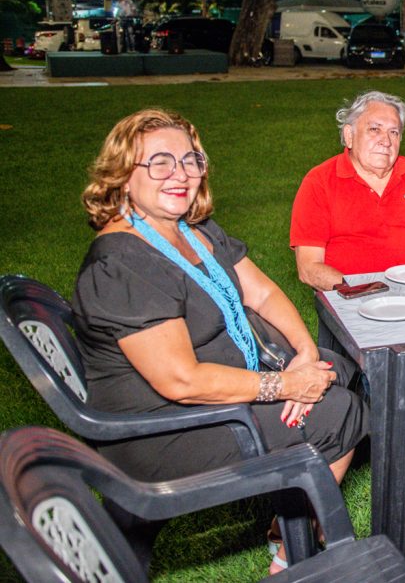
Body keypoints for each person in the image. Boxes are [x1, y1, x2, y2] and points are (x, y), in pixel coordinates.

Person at [73, 108, 367, 574]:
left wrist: (305, 356)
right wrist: (286, 387)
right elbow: (181, 381)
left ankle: (289, 518)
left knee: (337, 367)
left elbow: (263, 292)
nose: (180, 174)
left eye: (191, 160)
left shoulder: (193, 230)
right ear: (123, 175)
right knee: (341, 413)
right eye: (160, 162)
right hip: (163, 430)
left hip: (221, 387)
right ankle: (293, 553)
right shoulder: (123, 263)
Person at [290, 90, 405, 290]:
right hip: (350, 299)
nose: (386, 141)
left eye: (393, 132)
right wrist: (361, 292)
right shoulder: (319, 181)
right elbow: (309, 268)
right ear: (349, 135)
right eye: (374, 129)